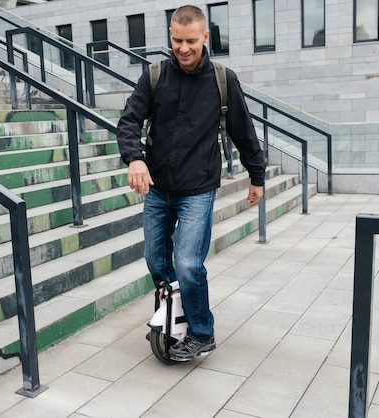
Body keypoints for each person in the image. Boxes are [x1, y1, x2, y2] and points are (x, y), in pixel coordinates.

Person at [116, 4, 266, 361]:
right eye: (177, 40)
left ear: (205, 37)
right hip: (157, 187)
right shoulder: (154, 76)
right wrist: (134, 157)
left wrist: (256, 176)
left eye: (191, 41)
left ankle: (201, 331)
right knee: (156, 261)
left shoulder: (222, 79)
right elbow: (128, 121)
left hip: (198, 188)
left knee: (187, 264)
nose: (183, 48)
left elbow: (244, 131)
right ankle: (174, 312)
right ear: (170, 36)